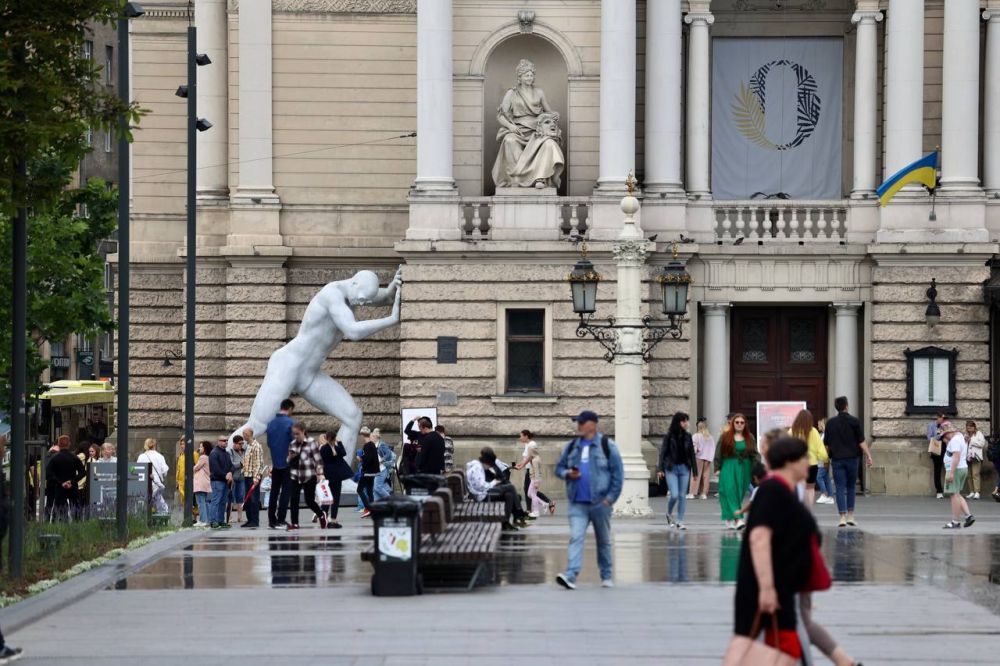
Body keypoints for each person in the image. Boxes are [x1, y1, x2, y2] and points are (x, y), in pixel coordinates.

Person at [729, 436, 817, 663]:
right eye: (804, 458)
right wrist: (767, 589)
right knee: (774, 650)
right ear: (789, 462)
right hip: (769, 589)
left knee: (753, 647)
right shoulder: (773, 491)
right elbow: (760, 539)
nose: (809, 462)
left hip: (781, 588)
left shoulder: (783, 491)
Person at [554, 411, 624, 590]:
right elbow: (559, 468)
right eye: (577, 422)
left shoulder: (607, 446)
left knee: (603, 540)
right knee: (576, 537)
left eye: (582, 422)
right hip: (577, 503)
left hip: (600, 502)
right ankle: (570, 575)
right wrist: (567, 473)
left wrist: (610, 499)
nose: (578, 425)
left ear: (593, 424)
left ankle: (607, 575)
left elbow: (618, 475)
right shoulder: (571, 446)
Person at [491, 59, 565, 189]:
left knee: (549, 143)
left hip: (536, 130)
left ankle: (539, 177)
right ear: (520, 77)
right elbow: (501, 115)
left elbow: (548, 110)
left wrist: (554, 114)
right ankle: (517, 178)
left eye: (531, 75)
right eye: (527, 75)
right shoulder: (512, 93)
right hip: (518, 129)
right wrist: (510, 127)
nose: (530, 78)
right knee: (509, 140)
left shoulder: (539, 92)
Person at [825, 396, 873, 528]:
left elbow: (827, 444)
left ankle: (842, 517)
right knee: (851, 487)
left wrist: (827, 458)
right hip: (852, 459)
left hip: (837, 459)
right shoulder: (855, 421)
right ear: (846, 406)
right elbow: (861, 441)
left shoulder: (830, 423)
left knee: (839, 487)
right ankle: (851, 516)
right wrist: (868, 455)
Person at [466, 447, 530, 530]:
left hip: (484, 493)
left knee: (509, 495)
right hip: (483, 495)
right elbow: (481, 486)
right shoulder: (477, 468)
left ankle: (506, 522)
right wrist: (494, 483)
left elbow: (499, 479)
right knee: (510, 487)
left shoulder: (481, 466)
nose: (489, 467)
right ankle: (519, 514)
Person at [715, 413, 758, 530]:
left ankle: (729, 518)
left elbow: (755, 454)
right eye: (737, 422)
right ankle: (739, 519)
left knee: (739, 493)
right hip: (728, 465)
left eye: (742, 423)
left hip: (745, 467)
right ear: (732, 423)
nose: (739, 424)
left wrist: (757, 469)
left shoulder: (750, 437)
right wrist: (717, 467)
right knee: (729, 491)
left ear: (745, 424)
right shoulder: (725, 436)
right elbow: (718, 452)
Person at [657, 412, 696, 529]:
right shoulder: (669, 436)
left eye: (687, 421)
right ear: (678, 422)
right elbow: (663, 452)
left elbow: (692, 454)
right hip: (671, 468)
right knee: (674, 495)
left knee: (682, 495)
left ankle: (680, 520)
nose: (686, 423)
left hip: (685, 468)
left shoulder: (688, 436)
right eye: (684, 421)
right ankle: (669, 513)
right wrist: (660, 469)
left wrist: (695, 471)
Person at [286, 423, 327, 530]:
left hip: (309, 475)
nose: (295, 436)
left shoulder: (311, 443)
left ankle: (321, 514)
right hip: (295, 475)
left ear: (303, 431)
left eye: (297, 434)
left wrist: (320, 473)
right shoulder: (292, 444)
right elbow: (288, 461)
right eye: (294, 434)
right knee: (294, 500)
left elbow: (318, 460)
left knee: (309, 501)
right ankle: (295, 523)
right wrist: (290, 458)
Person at [266, 398, 295, 529]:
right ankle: (281, 519)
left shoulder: (270, 423)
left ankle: (272, 520)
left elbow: (269, 443)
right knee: (285, 492)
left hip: (276, 462)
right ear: (289, 409)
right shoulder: (290, 423)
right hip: (288, 464)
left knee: (274, 492)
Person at [789, 409, 828, 506]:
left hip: (797, 464)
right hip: (812, 464)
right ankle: (808, 510)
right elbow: (821, 450)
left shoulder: (792, 431)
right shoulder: (814, 431)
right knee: (810, 489)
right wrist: (825, 459)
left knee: (798, 487)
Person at [940, 424, 975, 530]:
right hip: (962, 468)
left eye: (945, 435)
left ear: (948, 432)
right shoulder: (959, 436)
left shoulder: (954, 440)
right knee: (957, 494)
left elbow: (956, 456)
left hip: (955, 469)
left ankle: (955, 521)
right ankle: (968, 516)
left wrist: (951, 472)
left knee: (953, 495)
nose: (945, 438)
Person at [514, 430, 555, 517]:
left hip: (531, 470)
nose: (520, 438)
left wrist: (521, 466)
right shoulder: (527, 445)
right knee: (529, 490)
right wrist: (520, 464)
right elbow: (526, 458)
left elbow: (529, 458)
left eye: (521, 436)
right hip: (529, 469)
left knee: (530, 491)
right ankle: (546, 503)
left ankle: (536, 508)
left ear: (526, 436)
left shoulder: (532, 445)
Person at [46, 435, 86, 521]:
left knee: (59, 510)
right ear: (69, 444)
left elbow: (49, 474)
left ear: (59, 445)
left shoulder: (54, 458)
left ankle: (59, 526)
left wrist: (60, 482)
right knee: (75, 509)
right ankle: (77, 525)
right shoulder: (74, 458)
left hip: (59, 486)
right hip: (72, 486)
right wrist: (72, 481)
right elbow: (82, 472)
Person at [319, 431, 352, 528]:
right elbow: (344, 452)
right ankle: (333, 519)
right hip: (337, 476)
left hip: (327, 475)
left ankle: (323, 516)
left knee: (327, 498)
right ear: (334, 438)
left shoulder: (323, 448)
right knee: (335, 498)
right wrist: (339, 442)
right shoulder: (336, 448)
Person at [138, 438, 170, 515]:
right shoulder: (160, 456)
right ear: (155, 446)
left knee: (144, 504)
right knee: (160, 505)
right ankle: (161, 521)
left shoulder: (141, 457)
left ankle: (144, 520)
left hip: (144, 484)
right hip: (157, 484)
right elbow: (165, 471)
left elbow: (138, 470)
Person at [241, 428, 265, 529]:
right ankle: (249, 519)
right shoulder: (248, 446)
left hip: (253, 477)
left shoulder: (256, 446)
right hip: (247, 475)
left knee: (254, 499)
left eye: (244, 435)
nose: (243, 437)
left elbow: (259, 463)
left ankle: (255, 521)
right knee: (247, 499)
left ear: (247, 434)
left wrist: (257, 478)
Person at [208, 438, 234, 529]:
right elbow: (215, 469)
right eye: (223, 440)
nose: (226, 442)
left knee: (223, 502)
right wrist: (225, 475)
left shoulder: (226, 453)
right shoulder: (214, 453)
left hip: (225, 481)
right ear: (218, 442)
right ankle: (213, 521)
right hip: (217, 481)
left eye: (226, 440)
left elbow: (231, 466)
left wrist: (230, 473)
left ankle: (220, 520)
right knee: (216, 501)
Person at [689, 417, 715, 500]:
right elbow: (713, 448)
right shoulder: (710, 437)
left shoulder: (696, 436)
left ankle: (692, 493)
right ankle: (704, 493)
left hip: (698, 457)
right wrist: (710, 458)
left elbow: (694, 448)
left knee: (695, 475)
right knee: (705, 476)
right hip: (708, 458)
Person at [357, 433, 380, 518]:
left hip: (367, 472)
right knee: (370, 491)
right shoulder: (373, 445)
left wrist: (361, 459)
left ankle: (368, 508)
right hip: (373, 472)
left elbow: (368, 458)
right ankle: (372, 510)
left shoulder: (367, 446)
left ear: (364, 437)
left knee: (359, 489)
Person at [927, 412, 948, 498]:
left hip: (946, 448)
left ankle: (950, 489)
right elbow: (929, 438)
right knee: (937, 470)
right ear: (938, 418)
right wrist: (939, 434)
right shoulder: (931, 425)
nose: (943, 420)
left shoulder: (947, 425)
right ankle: (939, 491)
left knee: (949, 468)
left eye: (945, 419)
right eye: (942, 418)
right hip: (936, 447)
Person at [814, 417, 835, 505]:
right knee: (826, 478)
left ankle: (824, 494)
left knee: (819, 476)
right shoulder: (822, 434)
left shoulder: (826, 434)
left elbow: (826, 448)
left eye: (820, 424)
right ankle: (830, 496)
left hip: (823, 460)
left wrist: (826, 461)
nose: (818, 425)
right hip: (820, 459)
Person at [372, 428, 395, 501]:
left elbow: (388, 453)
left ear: (376, 437)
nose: (371, 438)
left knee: (377, 488)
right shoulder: (375, 445)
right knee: (376, 488)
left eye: (372, 437)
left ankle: (391, 501)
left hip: (382, 469)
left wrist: (381, 460)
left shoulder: (381, 444)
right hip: (377, 469)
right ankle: (376, 507)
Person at [965, 420, 986, 500]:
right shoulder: (966, 435)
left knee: (975, 474)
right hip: (968, 457)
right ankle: (971, 492)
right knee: (969, 475)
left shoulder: (979, 434)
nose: (968, 429)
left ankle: (977, 492)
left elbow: (982, 444)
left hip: (976, 457)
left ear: (974, 427)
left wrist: (971, 441)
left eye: (970, 428)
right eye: (967, 428)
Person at [193, 441, 212, 527]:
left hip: (200, 482)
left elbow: (195, 467)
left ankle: (203, 520)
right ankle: (206, 519)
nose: (199, 449)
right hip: (205, 482)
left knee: (201, 502)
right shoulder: (208, 457)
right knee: (205, 502)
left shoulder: (203, 457)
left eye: (201, 447)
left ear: (205, 448)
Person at [228, 435, 246, 525]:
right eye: (240, 443)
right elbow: (232, 464)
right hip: (233, 478)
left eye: (242, 443)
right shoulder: (230, 451)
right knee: (231, 497)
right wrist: (241, 463)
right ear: (234, 444)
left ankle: (240, 517)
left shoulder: (244, 451)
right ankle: (229, 517)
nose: (241, 445)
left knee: (241, 496)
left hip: (242, 477)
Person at [176, 436, 195, 510]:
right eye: (181, 444)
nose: (182, 446)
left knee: (191, 501)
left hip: (190, 481)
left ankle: (193, 517)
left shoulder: (193, 454)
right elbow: (178, 469)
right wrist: (177, 480)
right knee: (184, 502)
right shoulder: (181, 455)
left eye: (183, 444)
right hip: (181, 482)